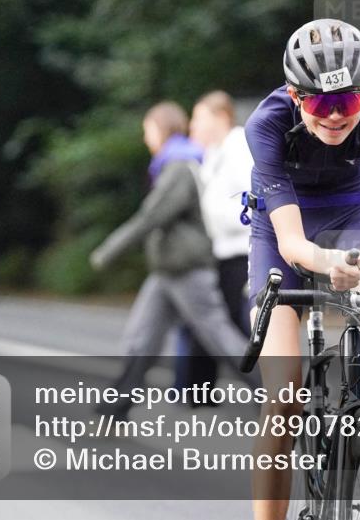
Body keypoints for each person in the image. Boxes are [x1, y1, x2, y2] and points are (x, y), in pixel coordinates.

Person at [242, 19, 360, 520]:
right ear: (296, 96)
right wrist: (328, 264)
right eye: (320, 104)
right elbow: (292, 242)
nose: (335, 117)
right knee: (285, 397)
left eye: (349, 103)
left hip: (352, 210)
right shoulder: (266, 123)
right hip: (283, 224)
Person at [89, 101, 255, 418]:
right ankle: (118, 403)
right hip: (167, 271)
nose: (145, 138)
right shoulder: (175, 163)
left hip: (188, 269)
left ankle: (277, 394)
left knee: (220, 337)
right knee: (141, 337)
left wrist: (108, 251)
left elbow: (152, 215)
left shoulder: (178, 166)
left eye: (148, 130)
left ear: (161, 129)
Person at [170, 90, 254, 392]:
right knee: (212, 322)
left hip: (241, 251)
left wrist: (221, 220)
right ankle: (196, 389)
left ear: (220, 117)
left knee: (234, 325)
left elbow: (253, 198)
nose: (193, 125)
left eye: (198, 117)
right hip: (220, 251)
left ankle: (274, 392)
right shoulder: (213, 153)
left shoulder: (240, 146)